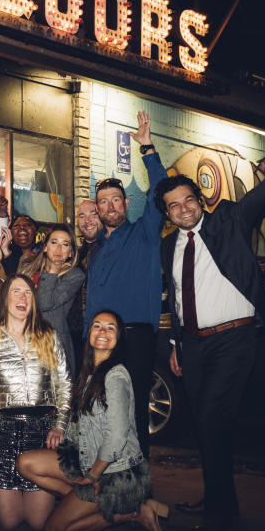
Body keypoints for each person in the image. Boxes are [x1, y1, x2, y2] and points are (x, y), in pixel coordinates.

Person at [157, 121, 265, 531]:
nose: (183, 209)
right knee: (203, 421)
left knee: (213, 417)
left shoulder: (230, 220)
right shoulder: (170, 246)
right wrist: (179, 345)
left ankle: (221, 511)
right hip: (194, 346)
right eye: (174, 206)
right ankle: (216, 492)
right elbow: (180, 299)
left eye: (188, 200)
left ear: (199, 200)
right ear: (167, 213)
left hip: (235, 339)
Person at [16, 310, 167, 531]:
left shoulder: (115, 376)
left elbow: (117, 436)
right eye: (97, 326)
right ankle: (87, 504)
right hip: (88, 459)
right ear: (89, 334)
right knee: (25, 463)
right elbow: (85, 426)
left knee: (55, 529)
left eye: (110, 328)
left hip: (114, 472)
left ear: (119, 339)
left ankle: (132, 513)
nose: (102, 332)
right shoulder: (90, 373)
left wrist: (93, 475)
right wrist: (61, 431)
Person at [85, 111, 166, 457]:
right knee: (100, 411)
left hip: (134, 337)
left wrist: (147, 149)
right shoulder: (97, 249)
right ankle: (105, 481)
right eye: (103, 202)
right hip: (99, 337)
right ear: (98, 210)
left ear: (126, 203)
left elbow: (160, 194)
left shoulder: (145, 234)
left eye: (116, 200)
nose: (110, 206)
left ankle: (138, 488)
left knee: (133, 413)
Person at [0, 274, 71, 531]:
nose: (23, 297)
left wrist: (60, 426)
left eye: (28, 293)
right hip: (3, 434)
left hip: (42, 434)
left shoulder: (49, 337)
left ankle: (67, 497)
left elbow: (65, 385)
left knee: (37, 522)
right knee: (10, 521)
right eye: (16, 291)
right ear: (5, 300)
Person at [19, 224, 85, 377]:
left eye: (65, 244)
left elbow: (44, 303)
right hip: (24, 340)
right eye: (54, 242)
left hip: (54, 346)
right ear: (45, 247)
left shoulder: (74, 275)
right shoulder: (27, 268)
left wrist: (53, 271)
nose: (58, 249)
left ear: (70, 253)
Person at [68, 200, 103, 365]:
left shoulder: (113, 251)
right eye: (82, 216)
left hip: (103, 334)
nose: (87, 221)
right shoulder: (74, 255)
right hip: (75, 335)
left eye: (93, 214)